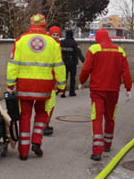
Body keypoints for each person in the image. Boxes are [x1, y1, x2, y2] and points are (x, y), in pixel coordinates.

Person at [6, 14, 66, 160]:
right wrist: (62, 85)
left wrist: (10, 84)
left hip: (24, 85)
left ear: (31, 24)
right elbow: (59, 66)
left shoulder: (20, 40)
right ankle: (37, 142)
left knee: (25, 116)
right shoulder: (53, 42)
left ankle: (24, 152)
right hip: (44, 86)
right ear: (44, 25)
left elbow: (13, 64)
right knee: (41, 114)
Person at [79, 29, 132, 161]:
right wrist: (128, 88)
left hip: (97, 90)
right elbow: (126, 71)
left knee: (97, 117)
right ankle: (107, 144)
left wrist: (81, 81)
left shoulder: (94, 49)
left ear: (97, 38)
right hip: (113, 91)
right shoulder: (119, 50)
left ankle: (97, 151)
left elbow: (86, 68)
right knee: (110, 117)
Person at [43, 26, 63, 136]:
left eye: (57, 35)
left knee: (49, 104)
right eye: (53, 34)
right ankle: (44, 124)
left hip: (52, 78)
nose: (55, 37)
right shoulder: (53, 46)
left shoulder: (57, 46)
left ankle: (45, 123)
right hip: (49, 78)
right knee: (49, 104)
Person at [60, 29, 85, 98]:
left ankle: (63, 92)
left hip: (65, 62)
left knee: (64, 78)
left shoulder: (62, 42)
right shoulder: (74, 43)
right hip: (73, 62)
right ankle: (71, 92)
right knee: (72, 78)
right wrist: (83, 61)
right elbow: (78, 52)